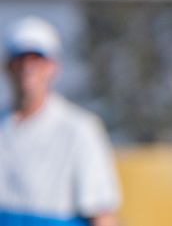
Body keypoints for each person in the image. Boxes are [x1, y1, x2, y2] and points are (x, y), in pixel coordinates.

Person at [0, 16, 121, 226]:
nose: (28, 68)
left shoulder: (80, 129)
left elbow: (101, 214)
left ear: (53, 66)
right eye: (20, 59)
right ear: (8, 66)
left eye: (37, 59)